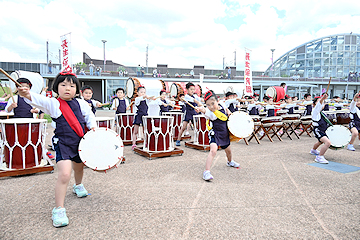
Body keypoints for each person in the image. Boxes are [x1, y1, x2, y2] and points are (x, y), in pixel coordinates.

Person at [17, 71, 96, 227]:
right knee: (65, 174)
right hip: (63, 143)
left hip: (80, 142)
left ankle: (78, 185)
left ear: (77, 89)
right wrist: (27, 94)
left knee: (79, 168)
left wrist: (93, 129)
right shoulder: (53, 103)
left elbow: (89, 117)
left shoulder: (81, 103)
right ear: (56, 87)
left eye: (72, 86)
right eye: (63, 85)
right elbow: (38, 100)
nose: (68, 88)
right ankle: (58, 209)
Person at [196, 90, 240, 181]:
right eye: (208, 105)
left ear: (217, 101)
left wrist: (229, 112)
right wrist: (201, 109)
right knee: (213, 150)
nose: (211, 107)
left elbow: (226, 109)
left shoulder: (223, 105)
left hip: (224, 132)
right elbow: (204, 111)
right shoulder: (210, 113)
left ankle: (230, 162)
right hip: (215, 133)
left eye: (213, 103)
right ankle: (206, 172)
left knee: (228, 151)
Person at [309, 94, 331, 164]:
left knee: (320, 141)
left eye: (323, 103)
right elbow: (319, 105)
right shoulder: (315, 111)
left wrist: (323, 99)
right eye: (318, 102)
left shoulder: (322, 112)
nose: (321, 104)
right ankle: (320, 157)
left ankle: (313, 150)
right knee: (328, 142)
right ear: (314, 104)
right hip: (318, 130)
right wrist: (322, 99)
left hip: (323, 129)